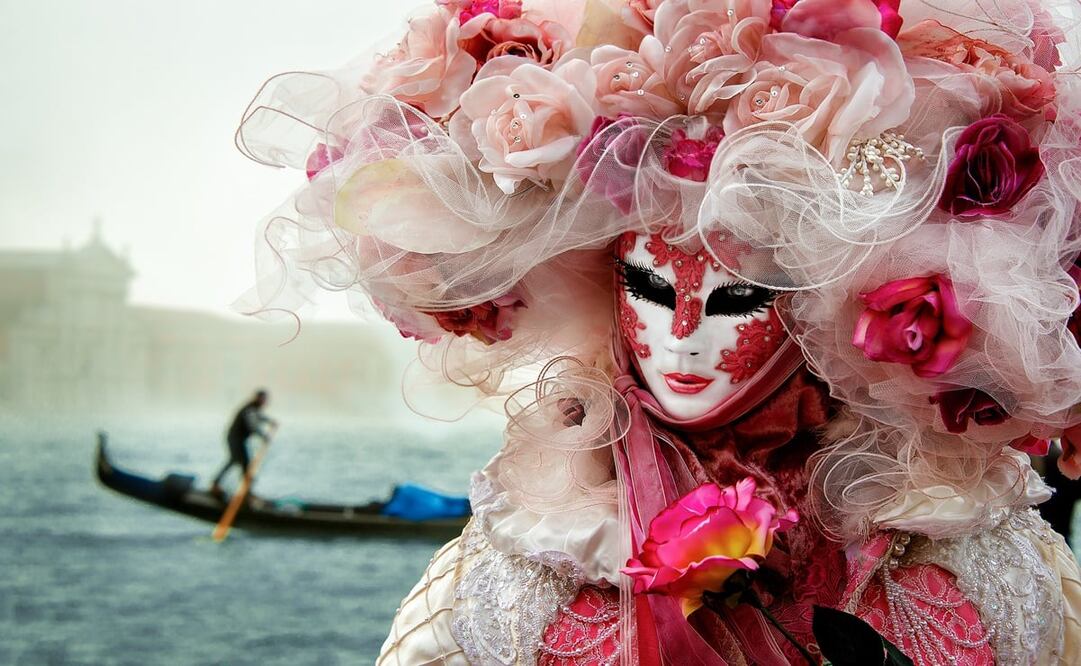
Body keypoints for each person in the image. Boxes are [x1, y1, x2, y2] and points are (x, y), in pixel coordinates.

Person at [236, 0, 1081, 662]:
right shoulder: (532, 556)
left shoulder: (961, 548)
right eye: (645, 289)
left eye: (737, 300)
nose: (681, 337)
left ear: (815, 308)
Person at [210, 389, 276, 498]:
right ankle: (216, 484)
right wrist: (263, 436)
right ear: (258, 398)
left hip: (239, 440)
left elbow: (259, 417)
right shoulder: (249, 409)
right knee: (237, 460)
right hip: (235, 439)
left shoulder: (254, 409)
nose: (265, 402)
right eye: (263, 399)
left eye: (265, 399)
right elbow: (252, 426)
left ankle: (245, 490)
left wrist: (270, 421)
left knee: (243, 462)